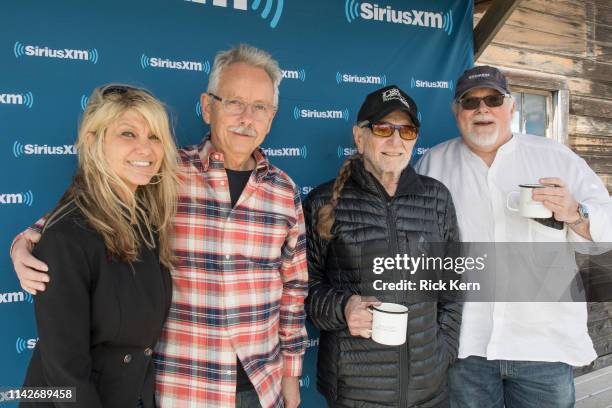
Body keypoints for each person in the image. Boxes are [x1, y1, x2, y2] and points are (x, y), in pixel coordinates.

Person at [11, 44, 308, 408]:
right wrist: (26, 239)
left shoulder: (285, 191)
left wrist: (291, 375)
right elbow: (94, 209)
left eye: (260, 107)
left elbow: (294, 288)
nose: (247, 117)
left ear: (272, 116)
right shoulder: (164, 172)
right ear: (208, 105)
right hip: (180, 387)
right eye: (234, 102)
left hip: (259, 387)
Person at [415, 65, 612, 407]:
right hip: (465, 346)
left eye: (493, 99)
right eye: (470, 101)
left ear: (511, 107)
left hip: (543, 346)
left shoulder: (556, 157)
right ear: (455, 110)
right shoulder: (432, 164)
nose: (482, 109)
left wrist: (575, 213)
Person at [19, 84, 179, 408]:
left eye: (154, 137)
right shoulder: (67, 235)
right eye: (128, 134)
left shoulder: (147, 222)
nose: (145, 149)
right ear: (93, 142)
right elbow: (64, 371)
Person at [304, 85, 462, 407]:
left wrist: (443, 351)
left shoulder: (437, 199)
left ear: (415, 138)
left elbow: (452, 283)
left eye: (406, 130)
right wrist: (342, 308)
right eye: (382, 128)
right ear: (359, 137)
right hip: (355, 393)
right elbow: (304, 286)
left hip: (429, 391)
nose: (395, 141)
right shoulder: (323, 202)